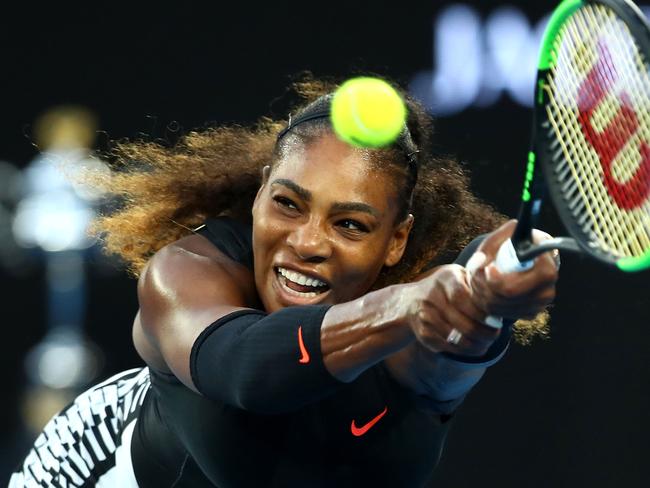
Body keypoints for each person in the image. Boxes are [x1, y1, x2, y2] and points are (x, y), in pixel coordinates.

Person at [9, 75, 558, 487]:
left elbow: (452, 343)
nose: (308, 242)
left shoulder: (416, 337)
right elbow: (246, 371)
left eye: (350, 224)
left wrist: (487, 301)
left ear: (396, 241)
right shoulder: (185, 275)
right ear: (260, 191)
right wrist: (404, 306)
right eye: (289, 204)